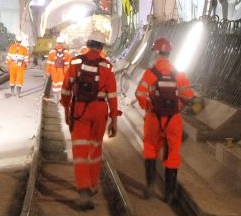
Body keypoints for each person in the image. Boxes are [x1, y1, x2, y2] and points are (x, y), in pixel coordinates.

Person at [61, 31, 120, 210]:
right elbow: (112, 95)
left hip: (80, 110)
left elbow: (66, 90)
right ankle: (93, 184)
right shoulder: (107, 66)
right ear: (102, 47)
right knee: (95, 148)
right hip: (100, 110)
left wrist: (66, 108)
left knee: (80, 151)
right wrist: (114, 119)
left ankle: (84, 191)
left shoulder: (75, 62)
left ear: (87, 44)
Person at [134, 37, 193, 202]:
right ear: (169, 53)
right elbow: (188, 95)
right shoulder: (179, 73)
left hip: (154, 118)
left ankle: (150, 186)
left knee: (150, 148)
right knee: (173, 153)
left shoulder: (150, 72)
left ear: (155, 52)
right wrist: (177, 106)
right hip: (173, 119)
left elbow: (139, 93)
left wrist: (148, 107)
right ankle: (169, 194)